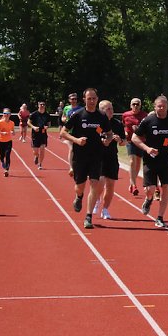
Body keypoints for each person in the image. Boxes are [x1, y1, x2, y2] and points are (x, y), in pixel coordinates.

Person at [131, 95, 168, 228]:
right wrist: (147, 148)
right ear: (154, 107)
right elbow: (134, 137)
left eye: (164, 106)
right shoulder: (148, 120)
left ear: (167, 106)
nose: (161, 108)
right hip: (150, 160)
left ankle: (160, 217)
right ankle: (149, 199)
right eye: (159, 106)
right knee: (149, 189)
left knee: (166, 187)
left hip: (166, 160)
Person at [60, 88, 112, 230]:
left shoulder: (101, 116)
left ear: (97, 99)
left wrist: (107, 140)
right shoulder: (78, 115)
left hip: (96, 156)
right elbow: (63, 132)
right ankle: (79, 196)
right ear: (84, 99)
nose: (92, 101)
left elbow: (109, 133)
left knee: (95, 183)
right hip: (80, 156)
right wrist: (76, 140)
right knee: (80, 186)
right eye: (89, 98)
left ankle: (88, 216)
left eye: (94, 98)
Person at [95, 99, 125, 220]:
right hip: (99, 156)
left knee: (111, 184)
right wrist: (102, 140)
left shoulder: (117, 124)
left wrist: (120, 140)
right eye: (108, 109)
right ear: (102, 110)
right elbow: (95, 136)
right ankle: (96, 199)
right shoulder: (97, 124)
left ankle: (105, 209)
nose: (111, 111)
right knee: (100, 181)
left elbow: (124, 142)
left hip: (112, 156)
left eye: (112, 108)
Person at [122, 98, 147, 196]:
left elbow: (147, 129)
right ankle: (133, 185)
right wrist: (125, 132)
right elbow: (124, 125)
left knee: (138, 163)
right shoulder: (126, 115)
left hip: (141, 141)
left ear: (140, 105)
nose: (135, 106)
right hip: (130, 141)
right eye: (134, 104)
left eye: (137, 104)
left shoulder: (145, 115)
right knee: (132, 161)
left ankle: (132, 181)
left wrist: (139, 130)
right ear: (130, 105)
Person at [61, 93, 83, 177]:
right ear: (69, 100)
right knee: (71, 149)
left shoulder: (80, 109)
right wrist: (64, 120)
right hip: (69, 131)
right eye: (72, 99)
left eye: (75, 99)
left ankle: (79, 165)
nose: (74, 100)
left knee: (79, 150)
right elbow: (63, 117)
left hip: (78, 131)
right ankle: (71, 167)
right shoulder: (66, 108)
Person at [0, 108, 15, 176]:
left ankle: (6, 170)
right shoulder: (0, 122)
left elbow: (13, 132)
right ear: (3, 114)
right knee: (2, 156)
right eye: (4, 113)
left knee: (7, 155)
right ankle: (2, 161)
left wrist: (12, 132)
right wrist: (1, 132)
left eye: (7, 113)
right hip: (0, 141)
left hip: (8, 141)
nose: (6, 115)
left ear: (10, 114)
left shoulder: (12, 123)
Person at [29, 101, 51, 170]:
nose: (42, 105)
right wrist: (34, 127)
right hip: (35, 134)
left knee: (42, 149)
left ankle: (40, 164)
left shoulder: (47, 115)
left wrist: (47, 126)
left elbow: (49, 124)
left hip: (43, 134)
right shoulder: (34, 114)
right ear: (38, 106)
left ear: (45, 106)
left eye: (43, 104)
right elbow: (28, 122)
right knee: (35, 151)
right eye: (41, 104)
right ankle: (36, 156)